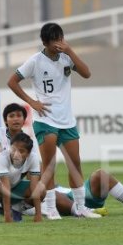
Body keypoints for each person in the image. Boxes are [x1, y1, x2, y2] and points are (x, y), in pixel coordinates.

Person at [7, 21, 100, 220]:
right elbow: (12, 81)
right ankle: (50, 208)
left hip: (67, 121)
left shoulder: (67, 57)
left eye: (60, 38)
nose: (58, 43)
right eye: (54, 40)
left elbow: (87, 73)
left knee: (75, 164)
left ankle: (81, 207)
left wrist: (71, 50)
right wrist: (32, 102)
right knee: (49, 165)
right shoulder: (35, 61)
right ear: (44, 42)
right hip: (46, 120)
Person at [0, 131, 46, 223]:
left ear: (28, 154)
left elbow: (34, 186)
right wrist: (7, 217)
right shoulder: (2, 157)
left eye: (21, 151)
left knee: (41, 189)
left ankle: (17, 209)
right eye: (14, 149)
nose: (16, 154)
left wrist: (38, 214)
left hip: (11, 187)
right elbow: (5, 187)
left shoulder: (33, 158)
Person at [51, 169, 123, 216]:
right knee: (49, 193)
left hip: (78, 195)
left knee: (100, 174)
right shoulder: (36, 190)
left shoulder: (52, 183)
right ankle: (88, 212)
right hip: (67, 204)